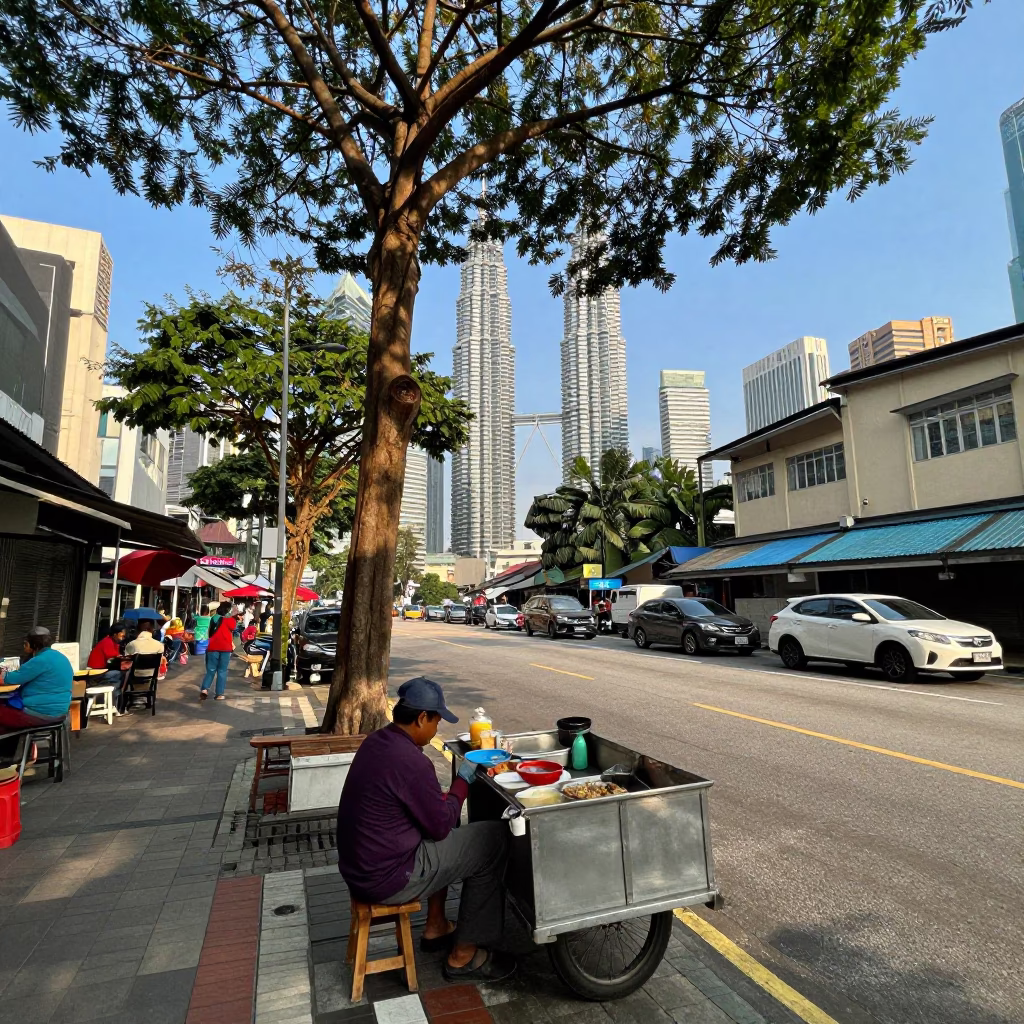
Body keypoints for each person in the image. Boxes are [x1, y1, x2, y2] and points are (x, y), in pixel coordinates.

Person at [337, 677, 515, 983]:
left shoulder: (378, 742)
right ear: (421, 718)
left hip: (360, 866)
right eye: (436, 721)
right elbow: (440, 826)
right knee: (494, 839)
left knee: (449, 816)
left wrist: (450, 798)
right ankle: (464, 956)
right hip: (388, 877)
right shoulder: (410, 761)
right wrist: (463, 781)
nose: (436, 729)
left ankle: (435, 926)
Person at [0, 627, 74, 761]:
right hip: (59, 711)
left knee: (4, 714)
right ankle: (9, 757)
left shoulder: (40, 660)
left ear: (33, 644)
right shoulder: (59, 657)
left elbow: (8, 679)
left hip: (41, 713)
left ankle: (9, 758)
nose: (24, 646)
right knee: (7, 715)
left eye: (25, 643)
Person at [200, 601, 236, 701]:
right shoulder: (230, 620)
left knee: (210, 670)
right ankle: (219, 694)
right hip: (225, 648)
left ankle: (204, 689)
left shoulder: (213, 618)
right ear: (228, 610)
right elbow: (233, 627)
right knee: (222, 671)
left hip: (212, 648)